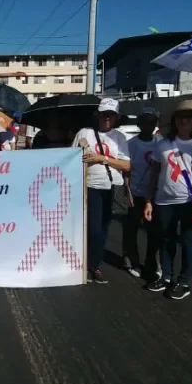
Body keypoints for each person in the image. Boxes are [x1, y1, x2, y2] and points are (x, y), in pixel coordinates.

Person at [144, 100, 192, 300]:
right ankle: (166, 276)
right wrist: (149, 200)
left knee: (189, 242)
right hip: (165, 200)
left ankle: (184, 281)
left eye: (190, 117)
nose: (185, 121)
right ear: (174, 120)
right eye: (181, 117)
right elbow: (155, 173)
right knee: (166, 240)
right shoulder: (163, 143)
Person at [73, 98, 131, 284]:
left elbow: (127, 165)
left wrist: (102, 158)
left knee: (105, 228)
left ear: (116, 117)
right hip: (91, 186)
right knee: (93, 229)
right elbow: (70, 160)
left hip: (113, 186)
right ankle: (86, 264)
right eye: (104, 114)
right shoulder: (84, 133)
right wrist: (80, 149)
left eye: (111, 115)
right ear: (97, 115)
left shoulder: (120, 137)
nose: (107, 118)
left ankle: (95, 266)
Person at [122, 108, 162, 279]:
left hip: (155, 195)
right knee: (131, 229)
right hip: (136, 193)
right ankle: (131, 261)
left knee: (154, 232)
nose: (148, 126)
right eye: (145, 122)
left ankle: (154, 264)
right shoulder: (131, 144)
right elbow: (126, 170)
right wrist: (128, 191)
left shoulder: (160, 142)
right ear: (139, 124)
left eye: (151, 122)